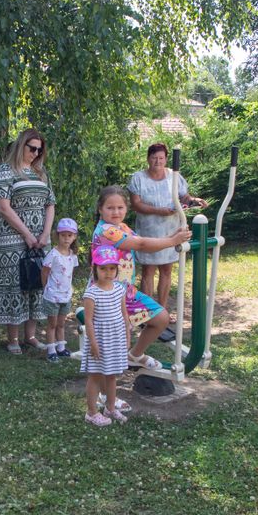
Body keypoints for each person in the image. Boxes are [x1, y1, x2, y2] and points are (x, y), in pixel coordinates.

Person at [92, 186, 191, 370]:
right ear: (100, 209)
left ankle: (135, 355)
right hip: (109, 295)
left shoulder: (121, 227)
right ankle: (105, 388)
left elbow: (143, 240)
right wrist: (173, 241)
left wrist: (173, 236)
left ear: (126, 208)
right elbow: (142, 244)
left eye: (120, 207)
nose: (116, 212)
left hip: (126, 292)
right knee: (114, 345)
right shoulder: (107, 231)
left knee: (161, 318)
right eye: (110, 208)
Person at [0, 129, 56, 354]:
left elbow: (50, 204)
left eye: (40, 150)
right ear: (21, 146)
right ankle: (13, 339)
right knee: (15, 287)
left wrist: (45, 234)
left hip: (40, 239)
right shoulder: (5, 172)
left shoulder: (41, 172)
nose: (36, 153)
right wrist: (27, 234)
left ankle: (31, 336)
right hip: (13, 240)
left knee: (37, 286)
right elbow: (3, 207)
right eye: (32, 148)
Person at [128, 143, 208, 315]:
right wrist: (160, 211)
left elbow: (183, 197)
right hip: (148, 232)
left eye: (161, 158)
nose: (158, 161)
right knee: (148, 270)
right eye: (154, 158)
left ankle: (162, 312)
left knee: (166, 269)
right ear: (148, 158)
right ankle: (147, 312)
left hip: (172, 229)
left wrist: (194, 200)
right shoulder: (138, 178)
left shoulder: (174, 176)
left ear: (166, 159)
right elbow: (135, 204)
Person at [81, 247, 130, 427]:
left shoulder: (119, 289)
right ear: (95, 268)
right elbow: (89, 320)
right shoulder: (91, 293)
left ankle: (110, 407)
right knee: (95, 376)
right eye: (103, 268)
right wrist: (93, 343)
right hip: (100, 340)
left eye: (112, 268)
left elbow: (124, 315)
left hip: (116, 339)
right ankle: (91, 412)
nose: (108, 273)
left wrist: (127, 337)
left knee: (112, 375)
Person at [41, 218, 79, 362]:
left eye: (70, 235)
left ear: (74, 237)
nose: (66, 238)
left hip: (65, 295)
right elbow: (44, 272)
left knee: (62, 323)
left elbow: (70, 274)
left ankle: (61, 348)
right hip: (52, 295)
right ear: (57, 235)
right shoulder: (53, 254)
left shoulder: (72, 255)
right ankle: (51, 350)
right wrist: (45, 287)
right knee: (52, 324)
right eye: (63, 235)